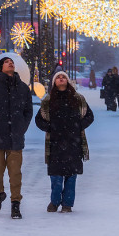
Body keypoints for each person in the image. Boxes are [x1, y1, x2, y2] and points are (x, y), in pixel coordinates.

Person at [0, 57, 33, 219]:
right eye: (7, 62)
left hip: (16, 138)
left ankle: (15, 204)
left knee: (15, 173)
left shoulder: (23, 88)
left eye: (12, 62)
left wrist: (21, 128)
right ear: (0, 67)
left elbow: (28, 111)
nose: (11, 63)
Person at [35, 71, 94, 213]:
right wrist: (49, 128)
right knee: (55, 176)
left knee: (71, 175)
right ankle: (54, 202)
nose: (61, 79)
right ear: (54, 82)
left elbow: (89, 116)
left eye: (63, 77)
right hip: (55, 143)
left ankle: (67, 204)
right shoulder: (48, 100)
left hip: (73, 142)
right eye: (58, 78)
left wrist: (78, 126)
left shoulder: (78, 98)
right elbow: (39, 120)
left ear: (67, 81)